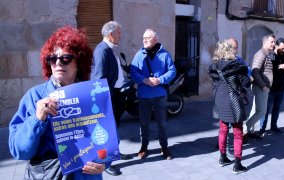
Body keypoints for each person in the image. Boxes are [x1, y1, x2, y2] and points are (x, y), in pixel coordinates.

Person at [8, 26, 106, 179]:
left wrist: (104, 162)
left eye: (65, 58)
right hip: (50, 175)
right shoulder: (35, 97)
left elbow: (108, 139)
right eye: (52, 58)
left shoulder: (93, 94)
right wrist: (37, 119)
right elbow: (19, 151)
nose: (58, 63)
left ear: (79, 62)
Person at [91, 21, 130, 176]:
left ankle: (115, 153)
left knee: (114, 128)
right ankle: (106, 163)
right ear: (110, 34)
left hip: (117, 94)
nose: (120, 35)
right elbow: (99, 78)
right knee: (108, 130)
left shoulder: (111, 49)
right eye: (119, 33)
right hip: (109, 97)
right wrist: (104, 102)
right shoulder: (102, 50)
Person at [130, 29, 176, 160]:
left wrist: (160, 80)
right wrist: (144, 80)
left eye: (147, 38)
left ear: (155, 39)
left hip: (160, 94)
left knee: (162, 122)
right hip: (144, 94)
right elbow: (133, 71)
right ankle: (144, 147)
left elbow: (172, 71)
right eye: (143, 37)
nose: (144, 40)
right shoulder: (139, 54)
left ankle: (164, 147)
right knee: (144, 122)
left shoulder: (165, 54)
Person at [208, 40, 250, 174]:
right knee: (238, 133)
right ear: (230, 50)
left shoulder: (214, 66)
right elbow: (246, 83)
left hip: (220, 99)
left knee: (223, 128)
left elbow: (216, 82)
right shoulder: (236, 66)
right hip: (234, 101)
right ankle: (237, 165)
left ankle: (222, 157)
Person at [259, 38, 284, 135]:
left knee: (277, 108)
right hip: (271, 88)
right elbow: (266, 69)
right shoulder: (270, 55)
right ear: (276, 46)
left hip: (282, 88)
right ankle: (262, 128)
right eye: (282, 48)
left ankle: (274, 126)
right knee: (266, 109)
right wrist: (279, 67)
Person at [243, 34, 276, 140]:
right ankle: (244, 129)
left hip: (262, 87)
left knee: (255, 110)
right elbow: (254, 72)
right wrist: (263, 86)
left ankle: (249, 131)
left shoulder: (267, 54)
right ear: (264, 42)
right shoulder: (261, 54)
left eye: (274, 42)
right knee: (262, 111)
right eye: (271, 42)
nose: (273, 44)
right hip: (261, 87)